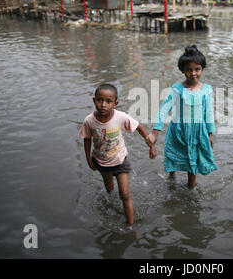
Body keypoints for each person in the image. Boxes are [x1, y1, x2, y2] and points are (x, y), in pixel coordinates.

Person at [79, 84, 156, 225]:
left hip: (120, 160)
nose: (103, 104)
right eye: (99, 100)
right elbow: (87, 139)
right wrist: (89, 160)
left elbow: (138, 126)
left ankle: (130, 225)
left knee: (125, 194)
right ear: (94, 100)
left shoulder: (120, 117)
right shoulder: (89, 121)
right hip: (101, 161)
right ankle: (111, 203)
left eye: (108, 101)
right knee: (109, 186)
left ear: (116, 103)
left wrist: (149, 142)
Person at [147, 45, 218, 189]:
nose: (193, 73)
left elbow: (208, 113)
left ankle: (190, 190)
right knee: (173, 155)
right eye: (189, 70)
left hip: (197, 132)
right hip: (178, 131)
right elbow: (164, 109)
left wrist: (210, 134)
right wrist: (155, 133)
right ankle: (171, 178)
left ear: (202, 69)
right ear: (183, 71)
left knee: (193, 162)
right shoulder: (177, 89)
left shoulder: (206, 91)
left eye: (197, 69)